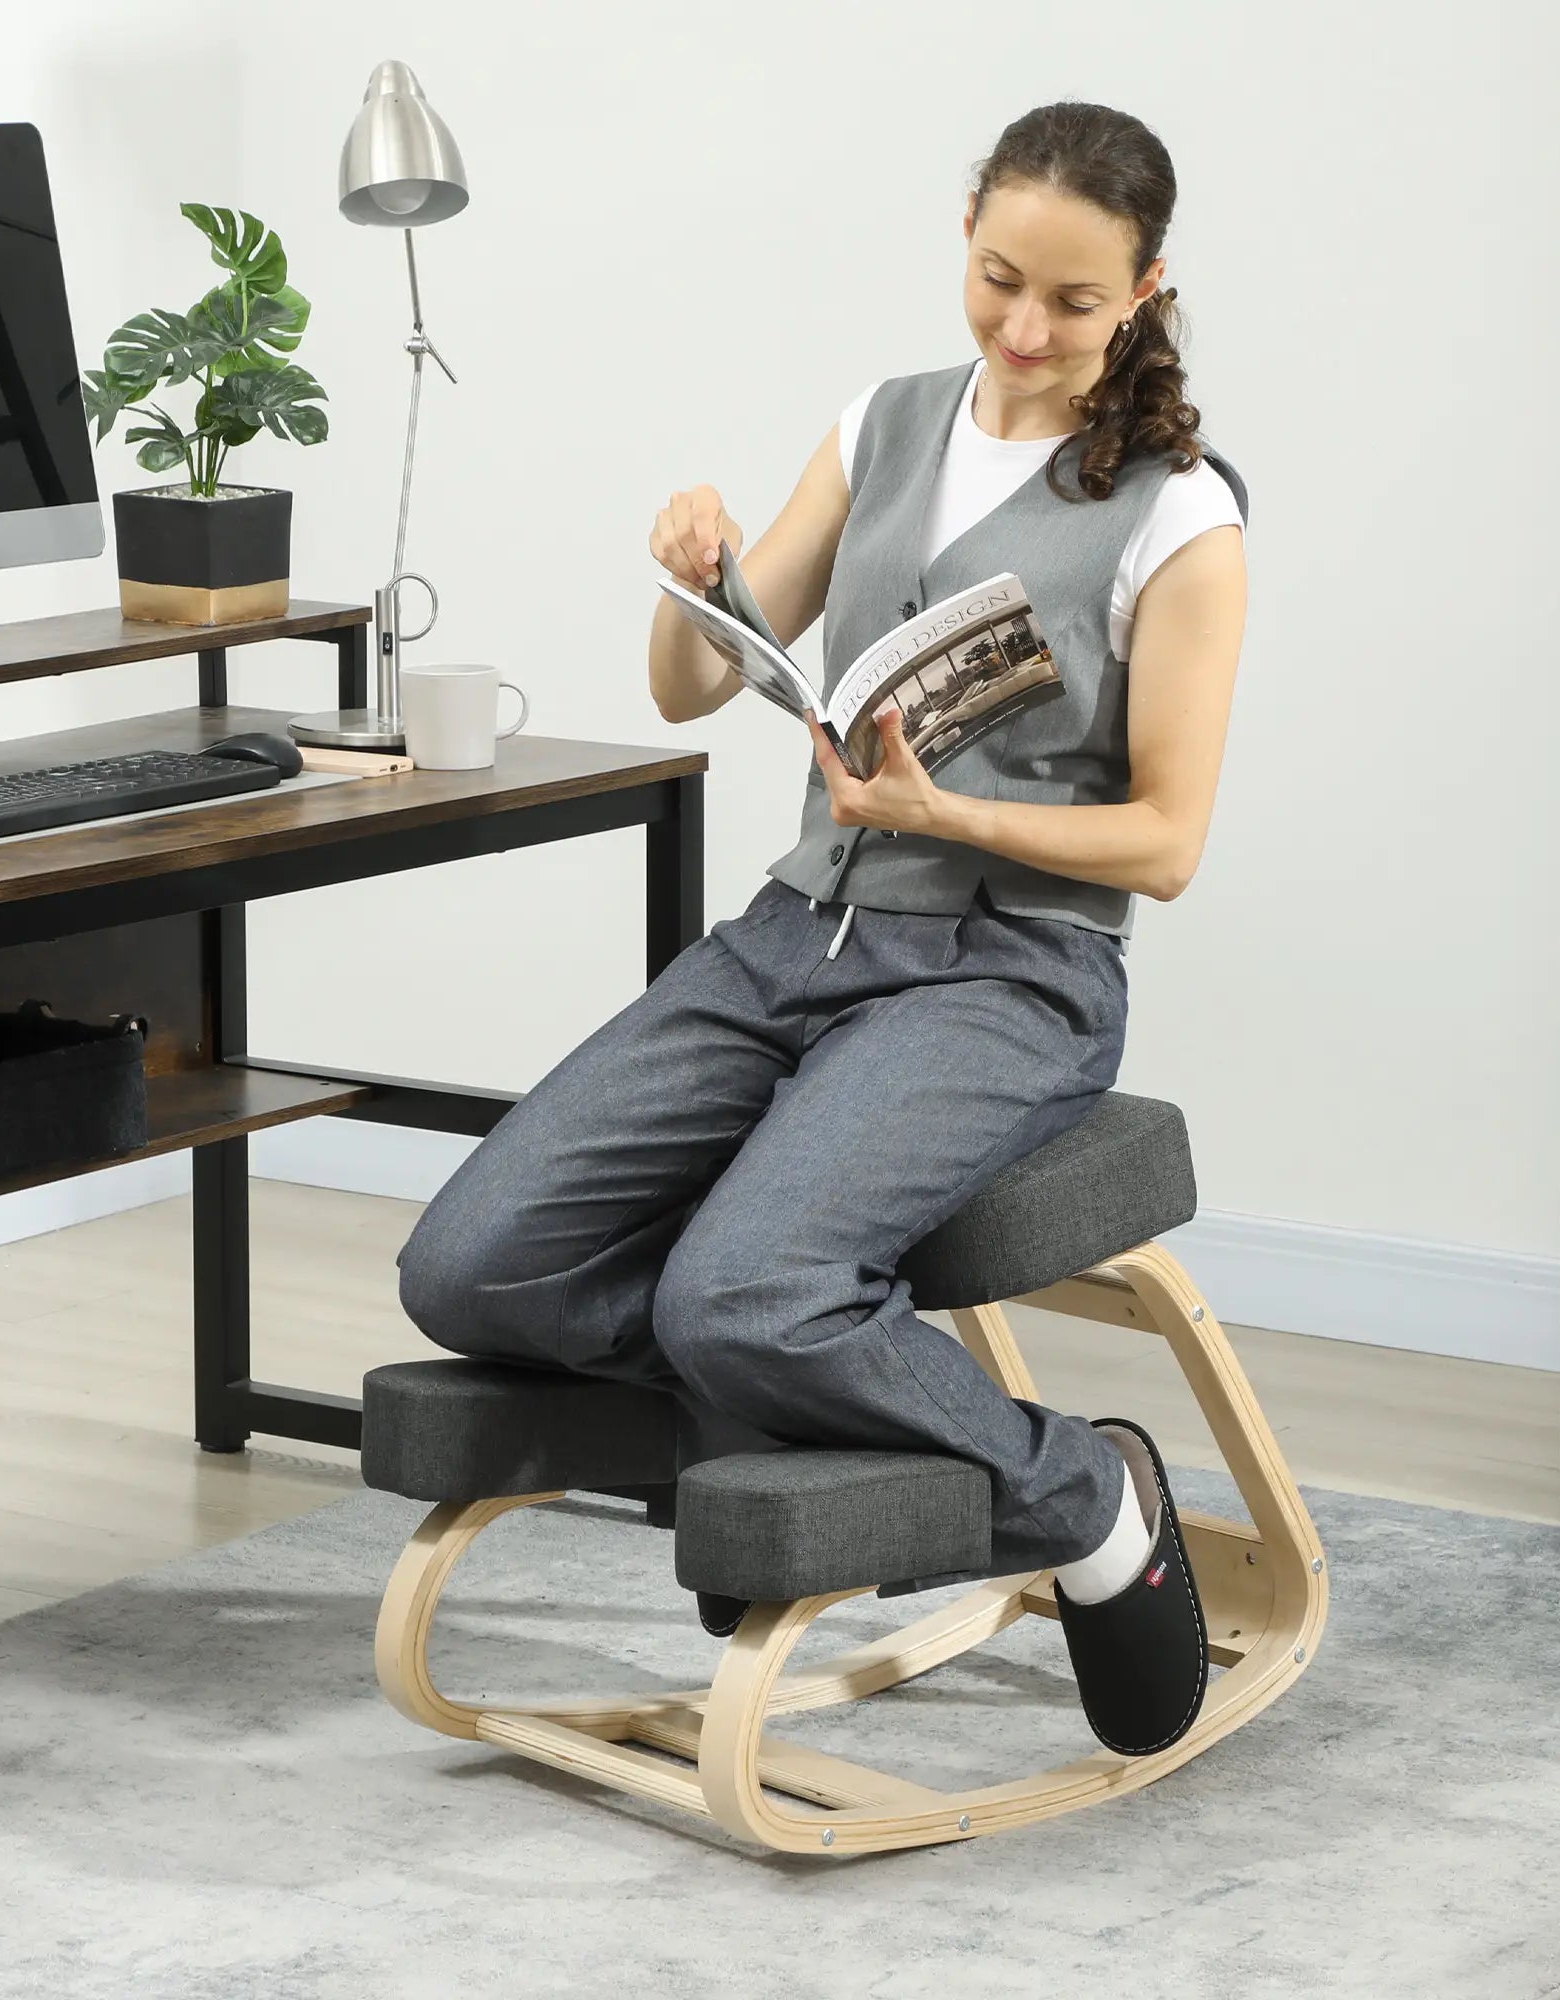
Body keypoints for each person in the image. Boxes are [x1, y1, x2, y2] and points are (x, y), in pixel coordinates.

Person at [395, 99, 1247, 1758]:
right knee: (470, 1265)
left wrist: (950, 815)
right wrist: (693, 572)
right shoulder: (884, 424)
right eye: (1000, 280)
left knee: (747, 1291)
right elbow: (688, 682)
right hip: (798, 937)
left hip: (1011, 970)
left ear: (1145, 288)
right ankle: (790, 1422)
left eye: (1074, 303)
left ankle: (1094, 1499)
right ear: (968, 240)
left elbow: (1168, 843)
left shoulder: (1178, 516)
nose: (1022, 330)